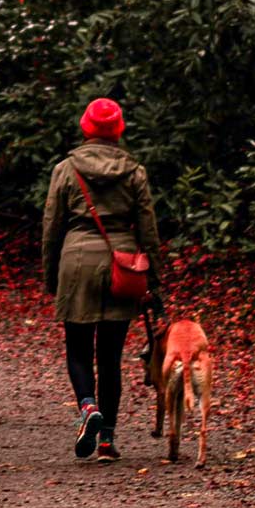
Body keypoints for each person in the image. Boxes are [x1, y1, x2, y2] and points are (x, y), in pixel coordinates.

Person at [40, 97, 167, 462]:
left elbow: (51, 228)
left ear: (85, 127)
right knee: (110, 356)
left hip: (77, 260)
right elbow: (149, 231)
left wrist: (52, 278)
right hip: (122, 264)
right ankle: (108, 440)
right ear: (119, 130)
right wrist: (154, 284)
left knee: (78, 349)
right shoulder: (134, 171)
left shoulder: (66, 169)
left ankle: (87, 407)